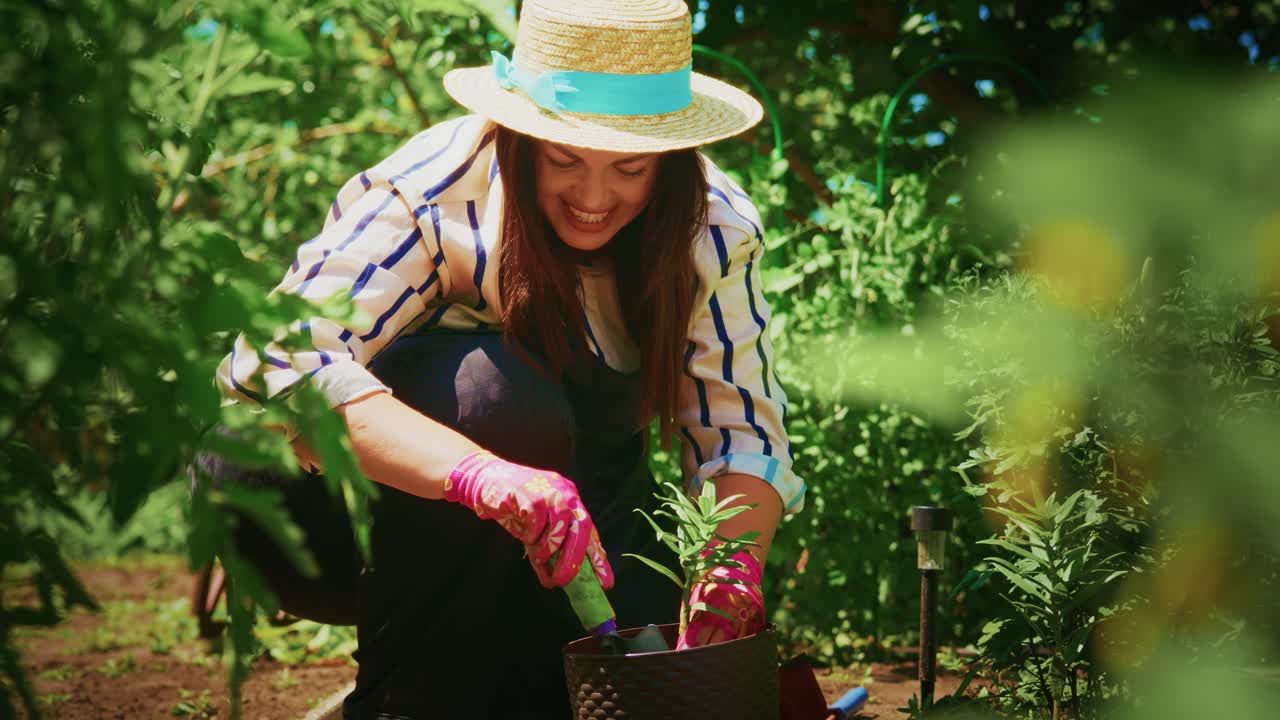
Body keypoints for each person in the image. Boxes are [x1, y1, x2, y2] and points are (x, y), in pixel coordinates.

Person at [199, 1, 806, 717]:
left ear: (668, 161)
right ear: (521, 133)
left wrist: (728, 572)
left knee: (642, 657)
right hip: (313, 506)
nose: (592, 197)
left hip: (568, 511)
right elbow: (274, 362)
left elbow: (741, 438)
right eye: (564, 158)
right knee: (497, 397)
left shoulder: (712, 228)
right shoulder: (436, 190)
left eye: (630, 169)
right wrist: (480, 476)